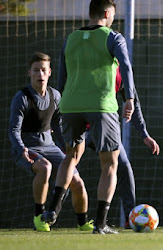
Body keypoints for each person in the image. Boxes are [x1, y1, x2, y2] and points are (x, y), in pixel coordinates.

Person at [42, 0, 135, 234]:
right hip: (101, 106)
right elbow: (125, 66)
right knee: (110, 164)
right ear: (106, 13)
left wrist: (61, 106)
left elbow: (62, 76)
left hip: (70, 105)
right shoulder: (114, 38)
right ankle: (101, 224)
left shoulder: (71, 38)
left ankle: (52, 209)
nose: (113, 19)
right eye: (113, 15)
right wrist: (130, 97)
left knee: (71, 156)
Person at [8, 52, 93, 232]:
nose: (40, 74)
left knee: (76, 180)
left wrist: (67, 147)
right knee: (45, 167)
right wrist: (21, 148)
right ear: (29, 73)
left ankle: (83, 222)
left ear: (49, 73)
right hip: (26, 148)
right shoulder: (22, 97)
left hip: (50, 146)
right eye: (36, 70)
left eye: (43, 70)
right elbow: (13, 130)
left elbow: (58, 126)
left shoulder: (55, 96)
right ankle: (40, 216)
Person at [81, 66, 160, 229]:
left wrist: (144, 135)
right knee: (68, 169)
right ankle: (50, 212)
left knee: (123, 166)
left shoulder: (119, 71)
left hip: (104, 129)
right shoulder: (84, 63)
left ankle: (131, 217)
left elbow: (133, 102)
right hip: (79, 128)